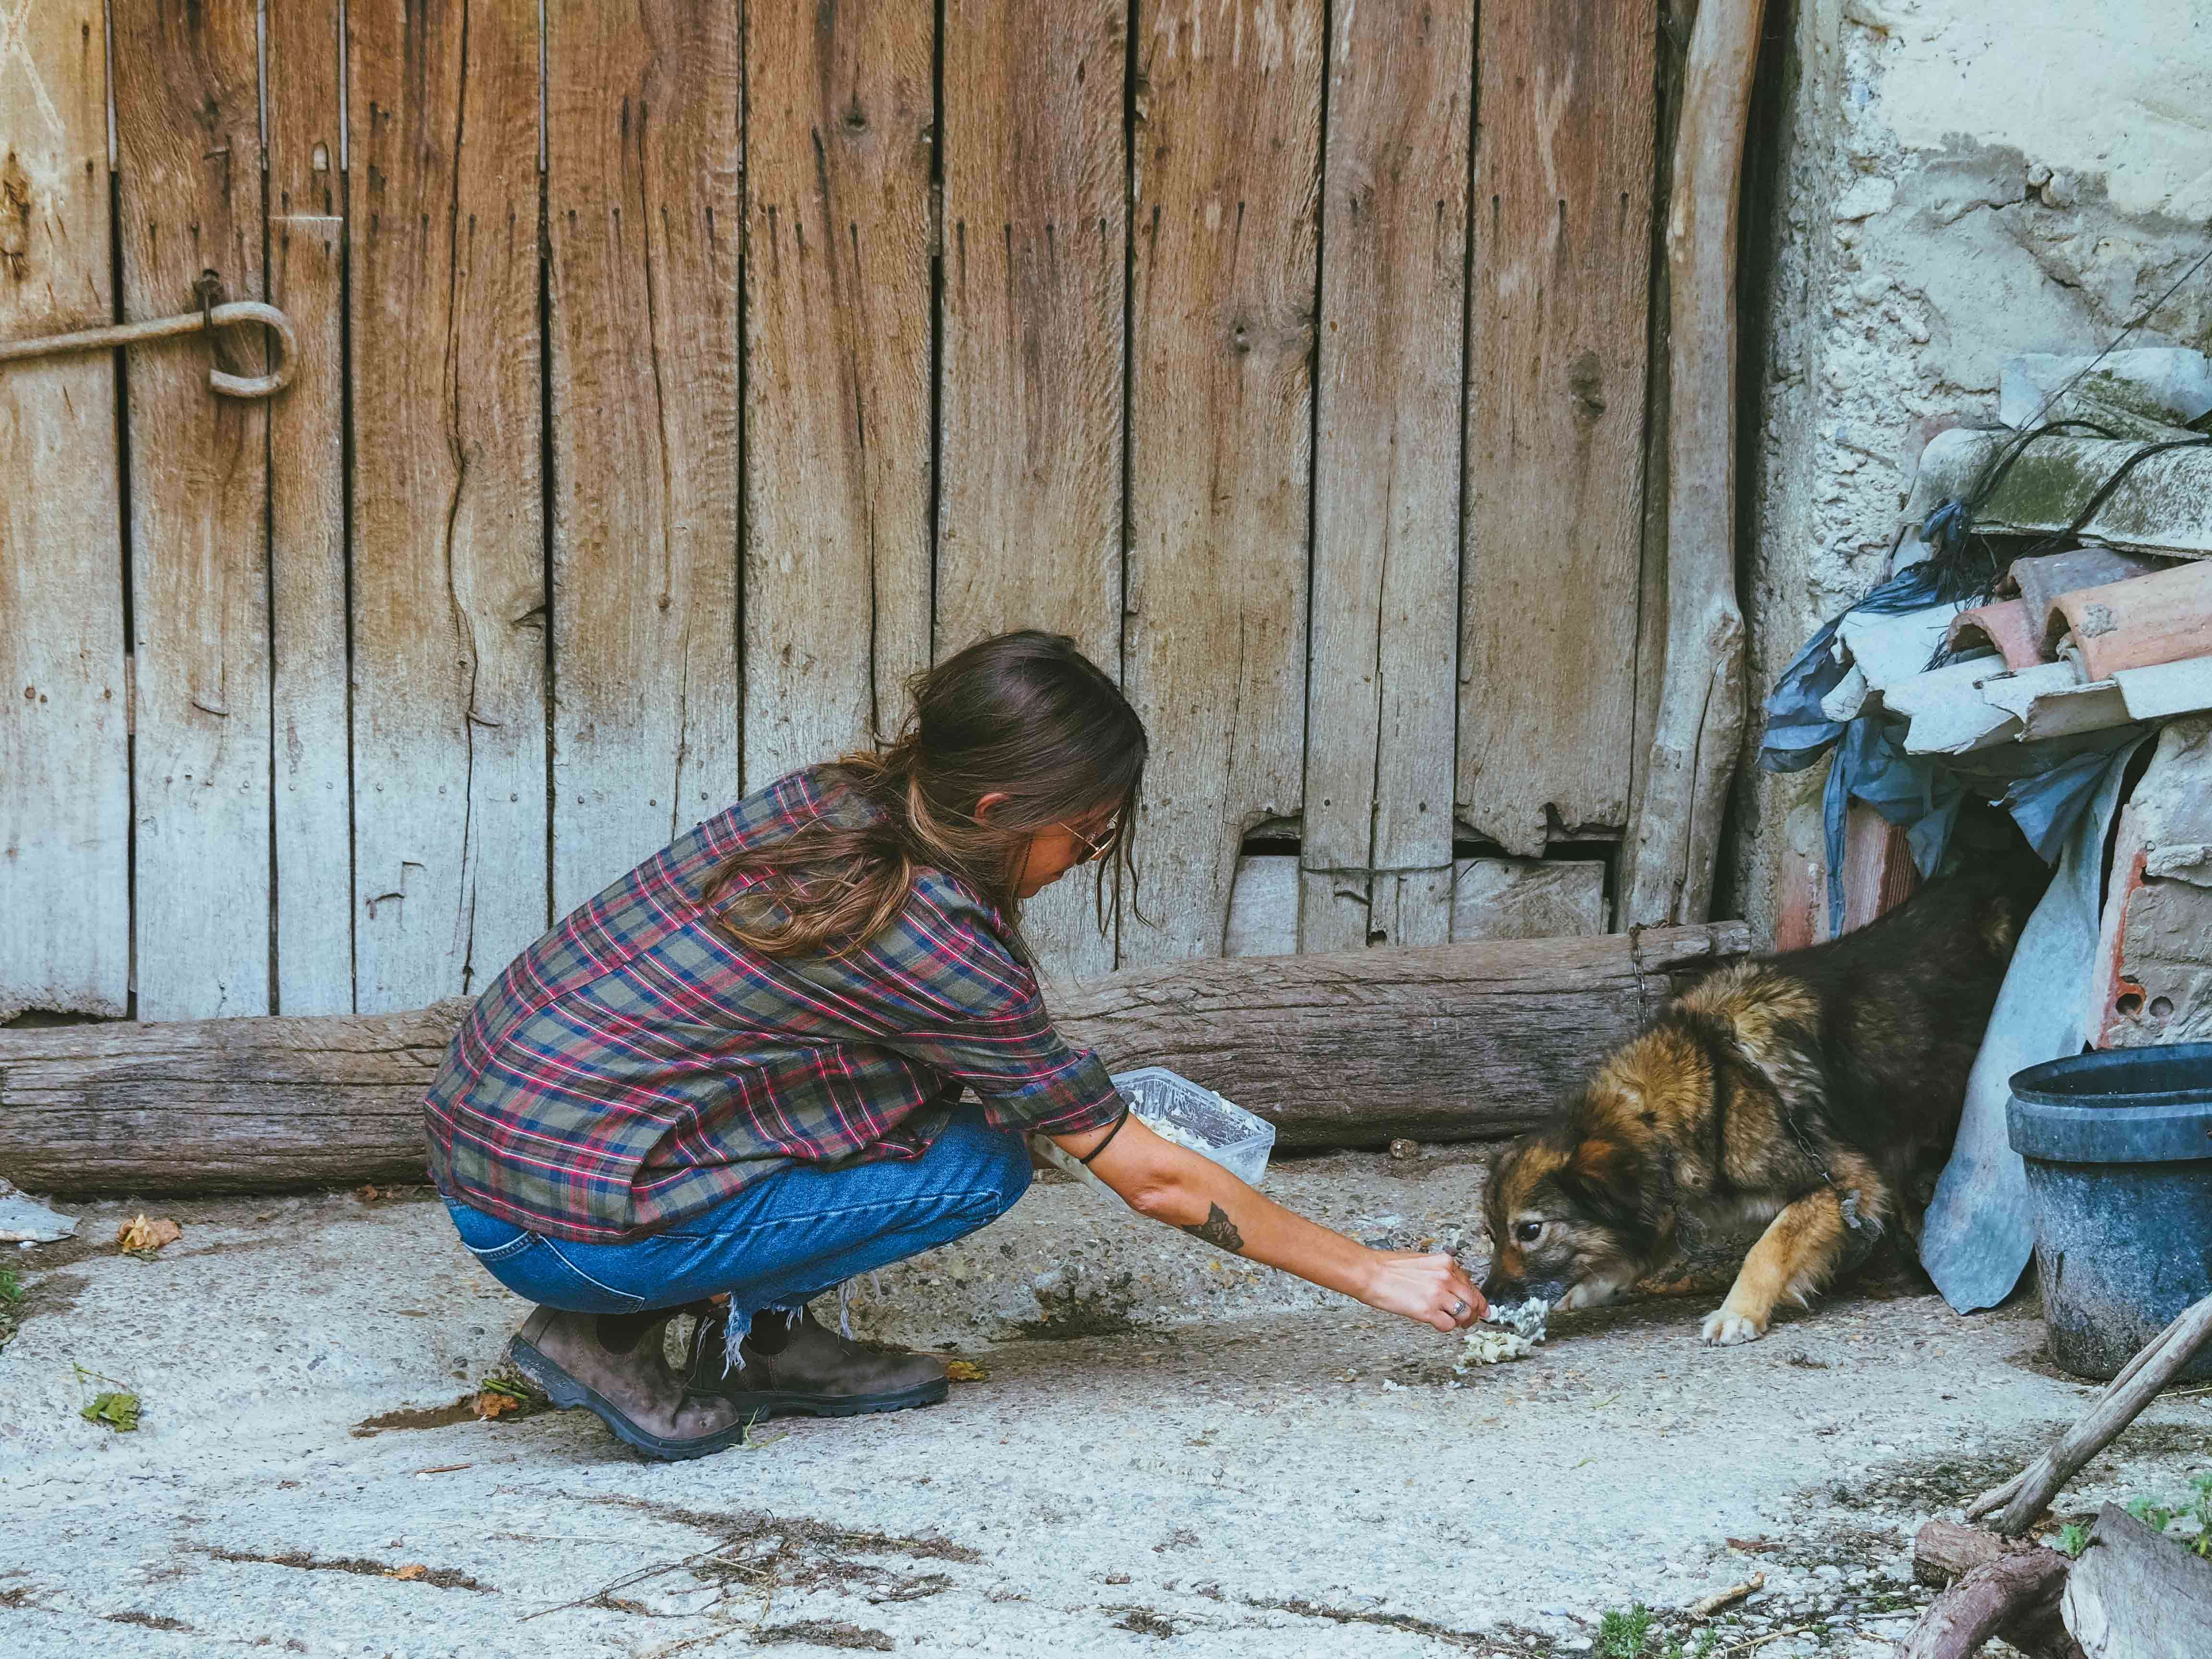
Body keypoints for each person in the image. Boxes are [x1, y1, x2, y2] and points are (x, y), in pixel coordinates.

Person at [426, 630, 1486, 1461]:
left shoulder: (833, 802)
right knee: (980, 1163)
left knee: (926, 1092)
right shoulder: (934, 942)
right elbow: (1155, 1183)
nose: (1089, 853)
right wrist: (1374, 1273)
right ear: (999, 807)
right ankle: (601, 1335)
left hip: (494, 1152)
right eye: (1092, 827)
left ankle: (766, 1336)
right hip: (563, 1233)